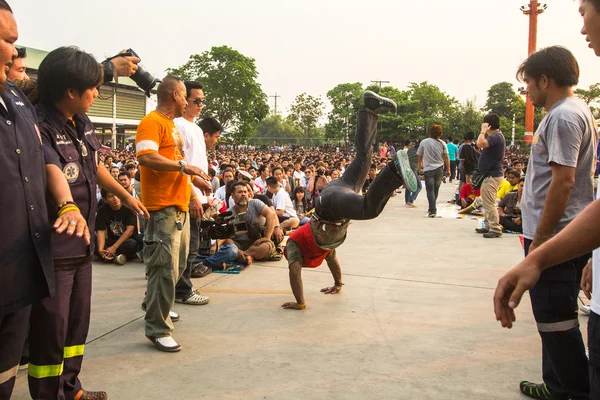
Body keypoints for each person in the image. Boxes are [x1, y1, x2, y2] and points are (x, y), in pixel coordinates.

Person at [28, 46, 148, 400]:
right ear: (70, 91)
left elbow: (92, 166)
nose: (97, 93)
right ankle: (49, 393)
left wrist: (124, 195)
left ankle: (71, 387)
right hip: (55, 245)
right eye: (93, 87)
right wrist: (65, 206)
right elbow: (52, 171)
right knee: (52, 327)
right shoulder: (38, 125)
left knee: (77, 323)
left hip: (81, 247)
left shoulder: (80, 123)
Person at [494, 5, 600, 399]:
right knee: (550, 319)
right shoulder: (576, 111)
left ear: (544, 79)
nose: (527, 93)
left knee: (556, 320)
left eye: (528, 86)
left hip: (554, 234)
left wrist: (539, 244)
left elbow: (563, 181)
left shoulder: (562, 117)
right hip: (559, 232)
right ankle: (555, 382)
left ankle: (569, 391)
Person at [0, 4, 91, 398]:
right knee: (48, 338)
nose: (15, 56)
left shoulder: (16, 105)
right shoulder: (40, 114)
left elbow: (47, 163)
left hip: (22, 261)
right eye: (8, 41)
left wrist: (69, 204)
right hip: (50, 253)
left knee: (13, 364)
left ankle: (68, 389)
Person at [282, 91, 417, 310]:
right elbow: (333, 261)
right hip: (339, 190)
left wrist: (300, 303)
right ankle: (369, 109)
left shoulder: (294, 247)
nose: (289, 259)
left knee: (368, 209)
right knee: (364, 158)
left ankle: (394, 168)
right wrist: (337, 283)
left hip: (330, 206)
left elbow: (294, 271)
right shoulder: (322, 247)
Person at [135, 76, 210, 353]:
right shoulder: (152, 122)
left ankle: (156, 305)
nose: (189, 101)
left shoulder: (171, 126)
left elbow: (176, 168)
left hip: (178, 205)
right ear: (176, 95)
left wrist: (192, 186)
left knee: (174, 268)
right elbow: (145, 157)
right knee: (164, 269)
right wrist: (183, 167)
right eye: (185, 96)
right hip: (163, 208)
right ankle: (157, 327)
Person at [172, 81, 214, 305]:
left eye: (202, 100)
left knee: (192, 245)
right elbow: (179, 165)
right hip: (186, 196)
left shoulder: (196, 128)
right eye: (196, 100)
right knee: (186, 247)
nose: (200, 104)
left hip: (197, 194)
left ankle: (182, 287)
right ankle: (182, 290)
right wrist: (193, 195)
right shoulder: (177, 126)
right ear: (182, 98)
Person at [475, 114, 506, 238]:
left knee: (490, 202)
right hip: (490, 174)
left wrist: (483, 131)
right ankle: (488, 225)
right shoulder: (496, 137)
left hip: (493, 174)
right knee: (486, 201)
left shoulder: (496, 136)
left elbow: (480, 143)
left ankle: (495, 228)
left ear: (489, 125)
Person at [96, 189, 140, 265]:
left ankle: (110, 256)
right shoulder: (102, 210)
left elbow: (129, 231)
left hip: (126, 240)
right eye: (110, 196)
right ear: (105, 200)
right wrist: (100, 249)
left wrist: (114, 247)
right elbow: (101, 231)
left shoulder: (129, 208)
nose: (115, 198)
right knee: (92, 242)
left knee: (133, 244)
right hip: (111, 240)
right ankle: (114, 256)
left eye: (117, 195)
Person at [417, 124, 451, 218]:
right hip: (439, 169)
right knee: (436, 189)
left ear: (430, 132)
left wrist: (419, 165)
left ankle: (432, 209)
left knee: (430, 190)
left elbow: (419, 155)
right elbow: (446, 157)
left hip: (428, 170)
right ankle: (432, 208)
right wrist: (448, 169)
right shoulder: (443, 143)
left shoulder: (424, 142)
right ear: (441, 133)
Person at [405, 139, 422, 207]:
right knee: (419, 186)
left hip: (407, 168)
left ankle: (407, 200)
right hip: (413, 169)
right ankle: (411, 200)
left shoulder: (410, 148)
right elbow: (421, 160)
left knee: (408, 185)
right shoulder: (421, 150)